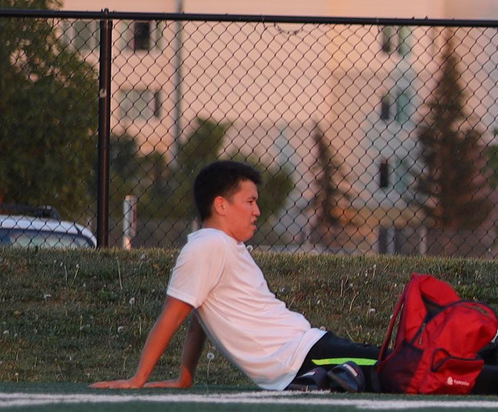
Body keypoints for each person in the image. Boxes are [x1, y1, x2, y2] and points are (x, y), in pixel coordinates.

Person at [94, 160, 378, 393]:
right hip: (297, 358)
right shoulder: (208, 245)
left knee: (400, 364)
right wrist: (138, 378)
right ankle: (329, 376)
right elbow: (173, 314)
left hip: (308, 351)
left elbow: (197, 322)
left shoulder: (224, 246)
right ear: (221, 205)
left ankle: (327, 378)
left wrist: (185, 377)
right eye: (250, 201)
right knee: (401, 365)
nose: (257, 211)